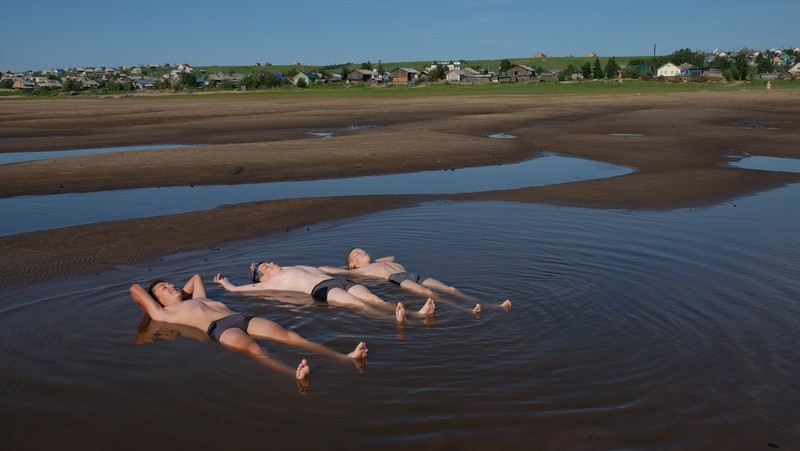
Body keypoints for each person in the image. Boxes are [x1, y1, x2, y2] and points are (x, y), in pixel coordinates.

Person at [130, 274, 368, 392]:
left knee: (293, 337)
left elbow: (196, 278)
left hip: (242, 318)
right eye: (164, 288)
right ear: (157, 300)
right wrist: (155, 305)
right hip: (220, 329)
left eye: (170, 283)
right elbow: (135, 289)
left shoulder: (199, 297)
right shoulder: (165, 315)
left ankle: (344, 358)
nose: (171, 286)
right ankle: (295, 375)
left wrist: (177, 292)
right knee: (256, 350)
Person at [214, 262, 436, 323]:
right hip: (322, 289)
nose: (270, 264)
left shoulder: (292, 266)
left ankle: (416, 315)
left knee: (374, 298)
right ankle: (395, 320)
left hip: (339, 280)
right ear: (263, 278)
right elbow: (237, 289)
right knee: (361, 306)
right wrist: (225, 282)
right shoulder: (269, 283)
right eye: (266, 267)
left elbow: (323, 268)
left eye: (269, 262)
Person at [319, 248, 512, 314]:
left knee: (450, 288)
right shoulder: (357, 273)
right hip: (396, 279)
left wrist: (371, 260)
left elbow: (392, 257)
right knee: (428, 294)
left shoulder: (377, 262)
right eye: (357, 253)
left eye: (363, 249)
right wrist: (348, 268)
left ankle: (492, 305)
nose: (363, 252)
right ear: (352, 264)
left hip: (413, 274)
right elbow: (325, 269)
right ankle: (466, 309)